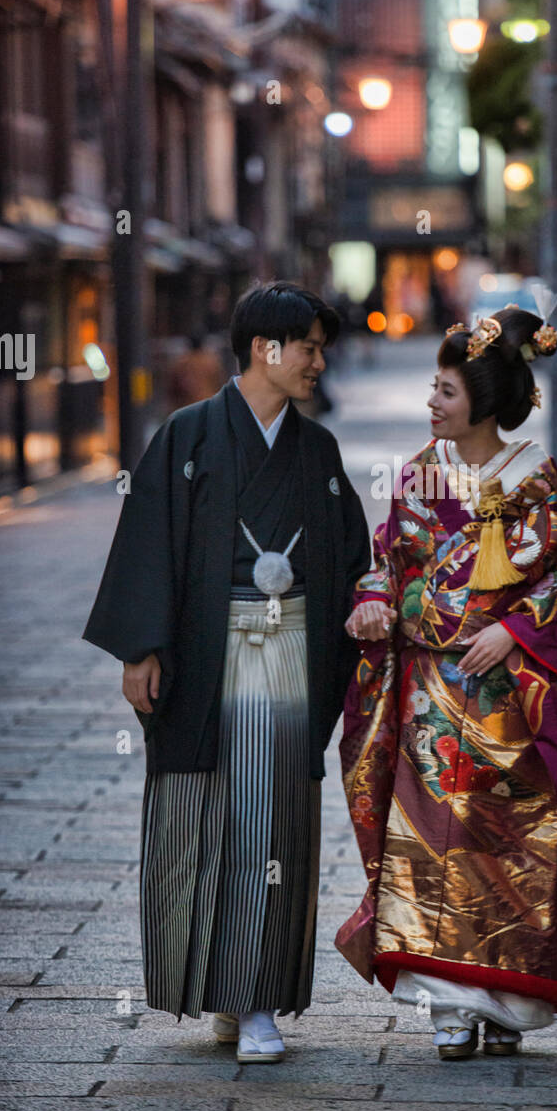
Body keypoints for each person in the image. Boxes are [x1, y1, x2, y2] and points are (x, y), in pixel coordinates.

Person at [82, 282, 371, 1063]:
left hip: (287, 651)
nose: (318, 361)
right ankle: (221, 987)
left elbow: (352, 558)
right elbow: (149, 541)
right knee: (201, 820)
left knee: (272, 820)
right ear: (264, 350)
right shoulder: (187, 436)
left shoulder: (319, 451)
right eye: (307, 346)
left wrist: (368, 605)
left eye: (319, 348)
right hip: (208, 652)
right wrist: (141, 647)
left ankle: (255, 1002)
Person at [337, 306, 557, 1059]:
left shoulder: (538, 480)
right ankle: (449, 1009)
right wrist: (371, 600)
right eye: (431, 388)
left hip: (509, 698)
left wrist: (517, 629)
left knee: (513, 846)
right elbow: (389, 558)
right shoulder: (419, 475)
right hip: (430, 693)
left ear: (484, 402)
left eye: (446, 391)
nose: (432, 402)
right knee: (429, 842)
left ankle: (507, 1000)